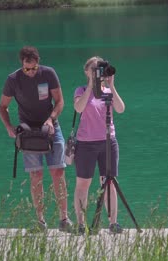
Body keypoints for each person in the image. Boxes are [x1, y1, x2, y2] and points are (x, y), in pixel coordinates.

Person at [0, 46, 73, 232]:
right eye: (26, 68)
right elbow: (2, 107)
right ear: (21, 64)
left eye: (34, 68)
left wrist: (51, 118)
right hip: (28, 131)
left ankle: (64, 218)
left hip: (51, 128)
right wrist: (9, 127)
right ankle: (40, 221)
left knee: (58, 172)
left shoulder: (48, 74)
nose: (31, 72)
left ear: (38, 64)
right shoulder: (13, 80)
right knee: (36, 175)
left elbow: (60, 101)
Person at [73, 56, 125, 235]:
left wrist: (111, 86)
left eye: (100, 69)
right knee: (83, 183)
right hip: (86, 143)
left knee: (109, 182)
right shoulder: (80, 90)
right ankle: (81, 223)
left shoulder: (107, 91)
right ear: (86, 72)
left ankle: (113, 222)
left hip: (108, 142)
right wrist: (90, 86)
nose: (97, 72)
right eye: (94, 69)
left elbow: (120, 109)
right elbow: (78, 108)